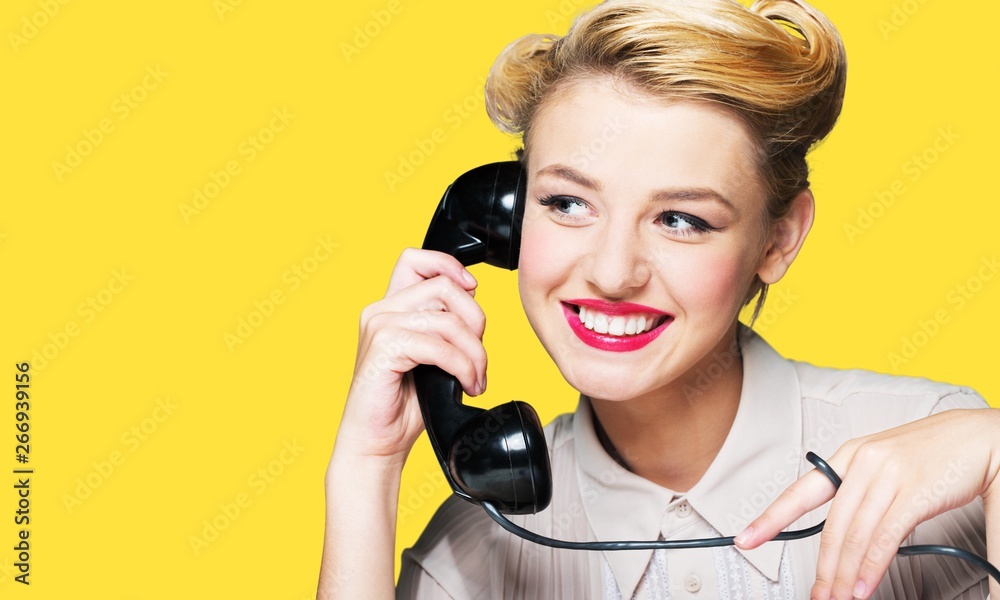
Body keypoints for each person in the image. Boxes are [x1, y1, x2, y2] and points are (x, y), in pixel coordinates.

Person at [318, 0, 999, 598]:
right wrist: (364, 472)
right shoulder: (477, 549)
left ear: (778, 239)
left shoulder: (943, 457)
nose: (614, 274)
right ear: (506, 217)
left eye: (681, 219)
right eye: (567, 203)